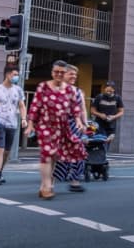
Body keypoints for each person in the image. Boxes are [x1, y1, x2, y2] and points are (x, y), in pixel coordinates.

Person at [26, 60, 87, 199]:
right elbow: (35, 106)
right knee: (46, 154)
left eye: (62, 72)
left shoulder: (71, 90)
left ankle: (45, 185)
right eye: (56, 72)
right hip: (46, 125)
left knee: (55, 156)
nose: (59, 74)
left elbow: (75, 108)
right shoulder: (43, 87)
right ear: (52, 72)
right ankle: (47, 187)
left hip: (62, 127)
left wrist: (79, 121)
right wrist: (30, 124)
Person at [0, 64, 27, 186]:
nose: (16, 77)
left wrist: (24, 118)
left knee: (7, 152)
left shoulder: (18, 90)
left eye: (17, 75)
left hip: (12, 124)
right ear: (7, 74)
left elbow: (21, 106)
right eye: (14, 74)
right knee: (0, 148)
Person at [55, 64, 88, 192]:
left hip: (76, 127)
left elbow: (83, 110)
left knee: (79, 154)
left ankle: (75, 182)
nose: (74, 76)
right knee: (61, 156)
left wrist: (85, 124)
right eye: (71, 74)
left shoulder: (79, 91)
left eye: (75, 74)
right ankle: (50, 183)